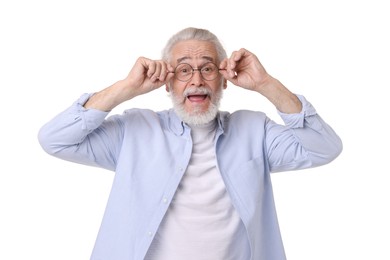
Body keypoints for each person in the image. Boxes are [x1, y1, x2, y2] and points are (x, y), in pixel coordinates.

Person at [38, 27, 342, 260]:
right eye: (184, 70)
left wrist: (266, 84)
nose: (196, 80)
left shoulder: (255, 130)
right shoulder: (134, 129)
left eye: (207, 68)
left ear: (224, 80)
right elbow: (55, 140)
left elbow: (324, 148)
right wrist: (125, 88)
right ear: (168, 82)